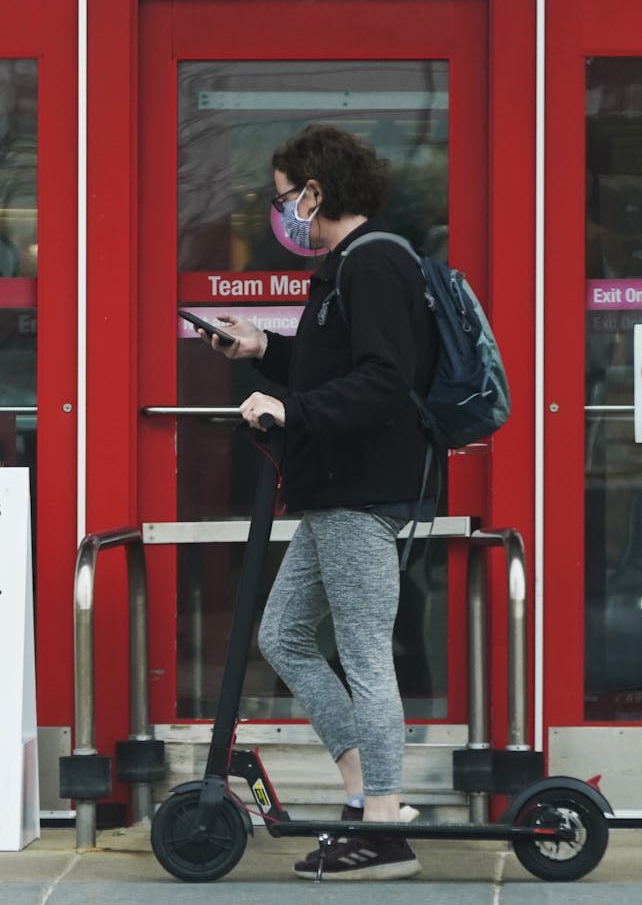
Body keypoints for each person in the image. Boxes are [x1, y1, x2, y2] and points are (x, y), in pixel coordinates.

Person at [194, 124, 439, 881]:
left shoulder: (374, 264)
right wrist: (265, 350)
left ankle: (386, 824)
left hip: (361, 490)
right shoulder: (346, 269)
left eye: (282, 198)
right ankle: (364, 793)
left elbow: (382, 380)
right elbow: (340, 362)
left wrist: (291, 410)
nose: (281, 212)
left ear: (315, 192)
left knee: (366, 650)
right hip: (335, 489)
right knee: (286, 635)